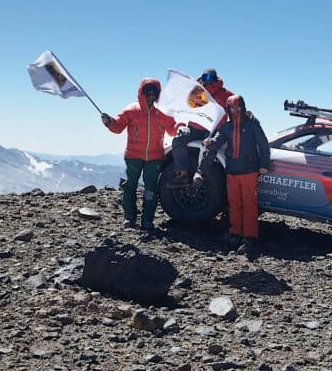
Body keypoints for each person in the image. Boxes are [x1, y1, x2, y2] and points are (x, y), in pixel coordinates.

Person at [193, 95, 270, 254]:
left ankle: (250, 238)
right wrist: (210, 142)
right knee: (233, 203)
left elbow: (263, 145)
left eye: (238, 106)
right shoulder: (226, 127)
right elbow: (217, 142)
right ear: (228, 109)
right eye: (232, 107)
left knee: (249, 204)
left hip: (249, 170)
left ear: (243, 106)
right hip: (232, 170)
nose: (236, 110)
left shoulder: (252, 124)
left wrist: (264, 165)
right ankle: (235, 234)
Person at [101, 78, 177, 229]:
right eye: (148, 91)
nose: (151, 95)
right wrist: (109, 122)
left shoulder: (162, 112)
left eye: (154, 92)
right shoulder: (131, 110)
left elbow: (172, 128)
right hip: (133, 156)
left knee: (151, 189)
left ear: (158, 94)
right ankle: (129, 218)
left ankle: (147, 220)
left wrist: (181, 127)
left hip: (154, 157)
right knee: (130, 186)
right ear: (142, 92)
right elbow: (118, 126)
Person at [168, 68, 234, 188]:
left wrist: (244, 114)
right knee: (180, 137)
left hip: (214, 129)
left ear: (216, 79)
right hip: (195, 127)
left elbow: (236, 107)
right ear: (201, 78)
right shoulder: (194, 91)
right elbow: (184, 106)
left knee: (209, 143)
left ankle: (200, 174)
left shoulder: (225, 94)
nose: (208, 81)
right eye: (205, 78)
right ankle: (182, 174)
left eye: (211, 78)